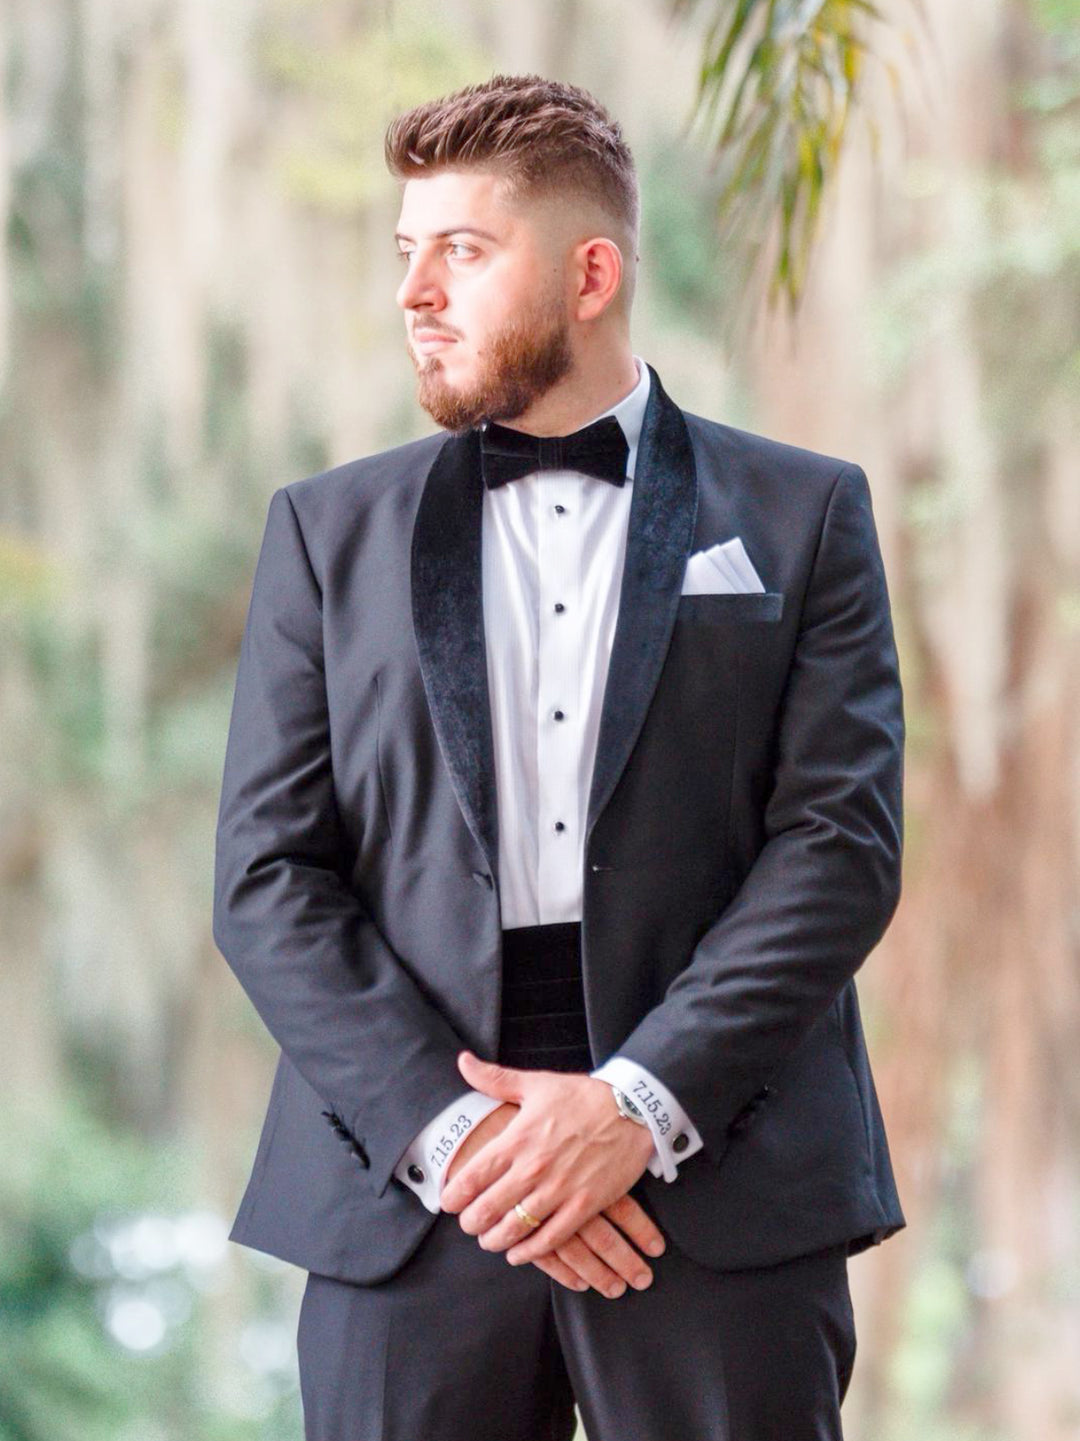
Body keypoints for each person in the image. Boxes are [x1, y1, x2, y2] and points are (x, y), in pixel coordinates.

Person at [213, 72, 906, 1441]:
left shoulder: (806, 511)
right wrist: (459, 1137)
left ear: (591, 274)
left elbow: (840, 847)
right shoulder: (322, 533)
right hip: (409, 1184)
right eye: (406, 253)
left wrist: (639, 1106)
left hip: (722, 1158)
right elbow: (266, 876)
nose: (417, 292)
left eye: (463, 251)